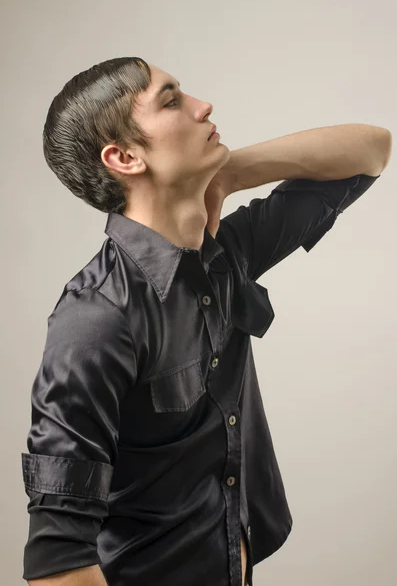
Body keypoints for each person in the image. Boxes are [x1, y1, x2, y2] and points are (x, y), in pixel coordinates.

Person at [21, 57, 387, 586]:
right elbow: (58, 563)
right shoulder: (96, 319)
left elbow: (372, 150)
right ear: (123, 156)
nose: (202, 106)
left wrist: (236, 170)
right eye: (171, 100)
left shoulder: (227, 254)